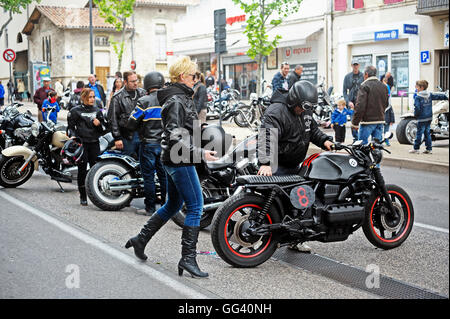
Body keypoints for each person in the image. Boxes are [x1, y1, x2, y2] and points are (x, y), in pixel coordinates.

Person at [125, 56, 219, 278]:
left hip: (175, 158)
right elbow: (175, 136)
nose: (196, 79)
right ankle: (188, 258)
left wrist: (202, 135)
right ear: (182, 76)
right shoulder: (177, 100)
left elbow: (184, 131)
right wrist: (201, 153)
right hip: (180, 159)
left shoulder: (180, 97)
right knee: (196, 205)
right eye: (193, 75)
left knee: (173, 204)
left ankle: (141, 239)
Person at [257, 80, 334, 253]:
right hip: (277, 165)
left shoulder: (305, 111)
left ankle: (294, 239)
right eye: (301, 107)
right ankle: (267, 236)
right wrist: (265, 163)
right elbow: (266, 137)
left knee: (299, 202)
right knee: (276, 204)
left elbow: (312, 129)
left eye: (307, 108)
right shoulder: (276, 111)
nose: (303, 110)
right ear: (293, 100)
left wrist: (325, 141)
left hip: (294, 164)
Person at [127, 71, 167, 216]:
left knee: (148, 177)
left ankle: (150, 208)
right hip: (164, 145)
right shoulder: (167, 101)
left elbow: (131, 123)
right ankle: (166, 208)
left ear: (147, 85)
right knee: (164, 177)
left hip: (148, 144)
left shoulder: (144, 101)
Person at [67, 88, 107, 206]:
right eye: (90, 97)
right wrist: (74, 138)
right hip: (82, 144)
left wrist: (99, 124)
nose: (92, 99)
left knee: (96, 169)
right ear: (83, 97)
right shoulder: (75, 111)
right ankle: (83, 196)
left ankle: (97, 195)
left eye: (93, 97)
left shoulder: (97, 111)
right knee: (82, 170)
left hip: (94, 143)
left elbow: (104, 129)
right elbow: (70, 128)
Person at [107, 70, 146, 157]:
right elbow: (112, 118)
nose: (135, 83)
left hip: (142, 135)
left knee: (144, 164)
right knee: (128, 163)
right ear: (125, 82)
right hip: (127, 137)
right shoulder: (117, 97)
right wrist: (117, 138)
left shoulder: (143, 93)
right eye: (132, 81)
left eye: (136, 80)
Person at [351, 66, 389, 145]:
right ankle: (376, 157)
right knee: (377, 146)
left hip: (367, 121)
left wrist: (355, 122)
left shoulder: (364, 86)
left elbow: (360, 106)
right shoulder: (384, 86)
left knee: (362, 146)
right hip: (380, 120)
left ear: (366, 74)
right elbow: (386, 104)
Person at [409, 80, 448, 154]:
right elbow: (438, 96)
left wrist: (416, 115)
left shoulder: (418, 97)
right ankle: (429, 149)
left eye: (417, 86)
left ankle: (416, 148)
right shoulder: (429, 94)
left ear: (421, 87)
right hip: (429, 117)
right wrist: (446, 97)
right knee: (427, 133)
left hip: (422, 118)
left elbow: (417, 108)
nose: (415, 87)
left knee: (419, 134)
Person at [343, 60, 364, 142]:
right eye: (354, 65)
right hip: (351, 103)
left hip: (361, 102)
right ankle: (356, 139)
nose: (355, 66)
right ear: (351, 65)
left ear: (359, 65)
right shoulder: (347, 77)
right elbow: (344, 91)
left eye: (356, 65)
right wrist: (348, 101)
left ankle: (361, 138)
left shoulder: (363, 76)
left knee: (362, 122)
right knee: (353, 122)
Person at [382, 77, 395, 146]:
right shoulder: (380, 104)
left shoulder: (389, 105)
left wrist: (392, 120)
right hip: (381, 119)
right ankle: (380, 141)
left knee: (386, 131)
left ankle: (387, 141)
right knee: (380, 131)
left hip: (387, 119)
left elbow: (391, 112)